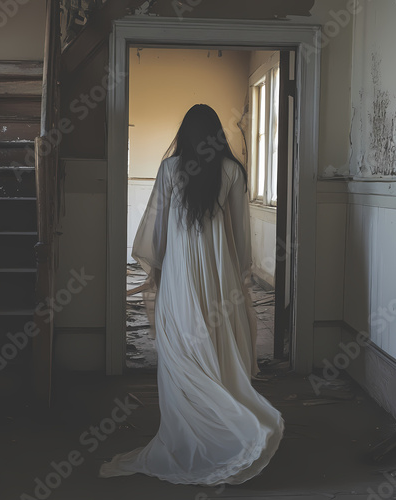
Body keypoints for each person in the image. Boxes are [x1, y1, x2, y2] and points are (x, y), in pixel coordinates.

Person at [99, 104, 284, 486]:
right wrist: (242, 274)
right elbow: (240, 236)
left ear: (185, 134)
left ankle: (189, 438)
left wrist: (158, 272)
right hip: (220, 277)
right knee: (217, 350)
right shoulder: (232, 171)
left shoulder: (170, 170)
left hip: (181, 276)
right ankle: (231, 433)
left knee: (181, 353)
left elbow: (157, 227)